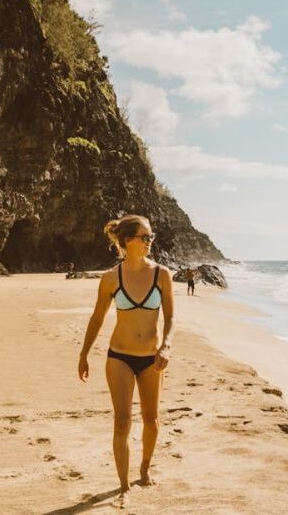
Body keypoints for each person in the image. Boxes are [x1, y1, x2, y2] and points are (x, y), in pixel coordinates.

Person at [78, 214, 174, 504]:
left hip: (152, 359)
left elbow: (170, 316)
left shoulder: (162, 274)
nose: (149, 242)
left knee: (152, 420)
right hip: (118, 357)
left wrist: (166, 345)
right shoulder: (110, 278)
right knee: (122, 422)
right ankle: (123, 485)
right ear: (128, 241)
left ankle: (144, 469)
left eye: (151, 237)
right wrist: (84, 353)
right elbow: (97, 318)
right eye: (145, 238)